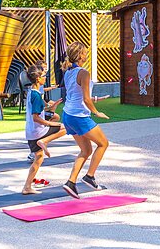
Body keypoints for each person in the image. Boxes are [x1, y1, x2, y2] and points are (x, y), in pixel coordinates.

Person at [60, 43, 109, 199]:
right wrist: (96, 112)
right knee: (103, 143)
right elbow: (85, 99)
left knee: (86, 150)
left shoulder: (68, 71)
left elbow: (77, 94)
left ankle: (71, 182)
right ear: (80, 55)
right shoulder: (84, 73)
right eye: (85, 53)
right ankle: (90, 176)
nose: (86, 55)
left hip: (68, 115)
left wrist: (95, 99)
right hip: (79, 116)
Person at [21, 64, 65, 195]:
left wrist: (53, 106)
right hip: (38, 132)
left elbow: (38, 112)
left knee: (39, 158)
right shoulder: (35, 95)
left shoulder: (32, 92)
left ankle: (27, 187)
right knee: (65, 127)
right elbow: (36, 117)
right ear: (37, 79)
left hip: (30, 133)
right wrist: (50, 124)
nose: (45, 78)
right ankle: (44, 141)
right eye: (44, 76)